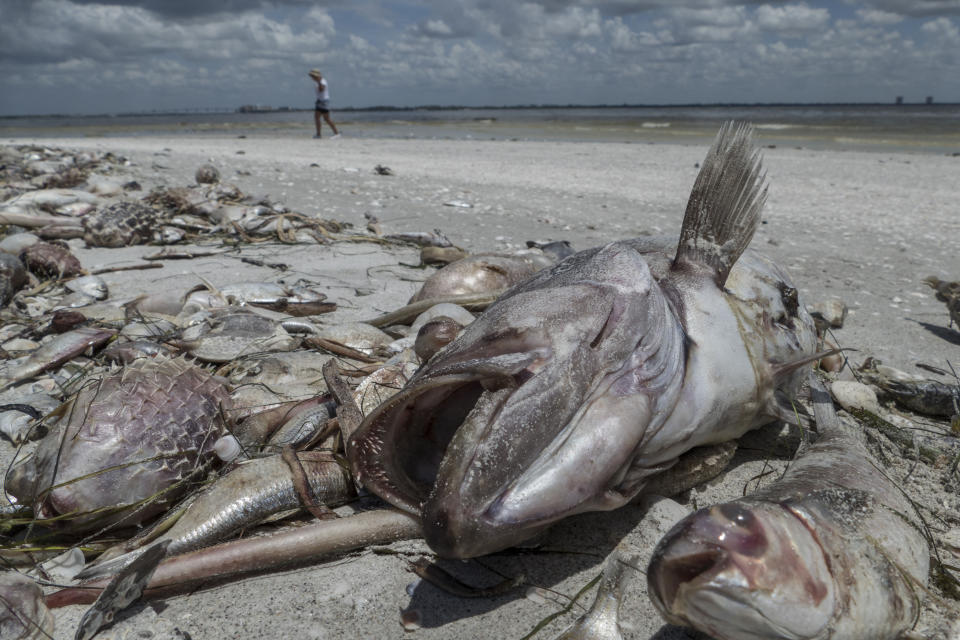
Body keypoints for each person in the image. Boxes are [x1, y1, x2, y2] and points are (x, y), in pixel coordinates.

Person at [308, 69, 340, 139]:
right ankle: (319, 134)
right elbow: (319, 93)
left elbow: (321, 90)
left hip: (324, 102)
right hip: (320, 101)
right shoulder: (317, 82)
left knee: (326, 119)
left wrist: (319, 82)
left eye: (313, 76)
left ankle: (336, 133)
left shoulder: (322, 81)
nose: (312, 78)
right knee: (317, 118)